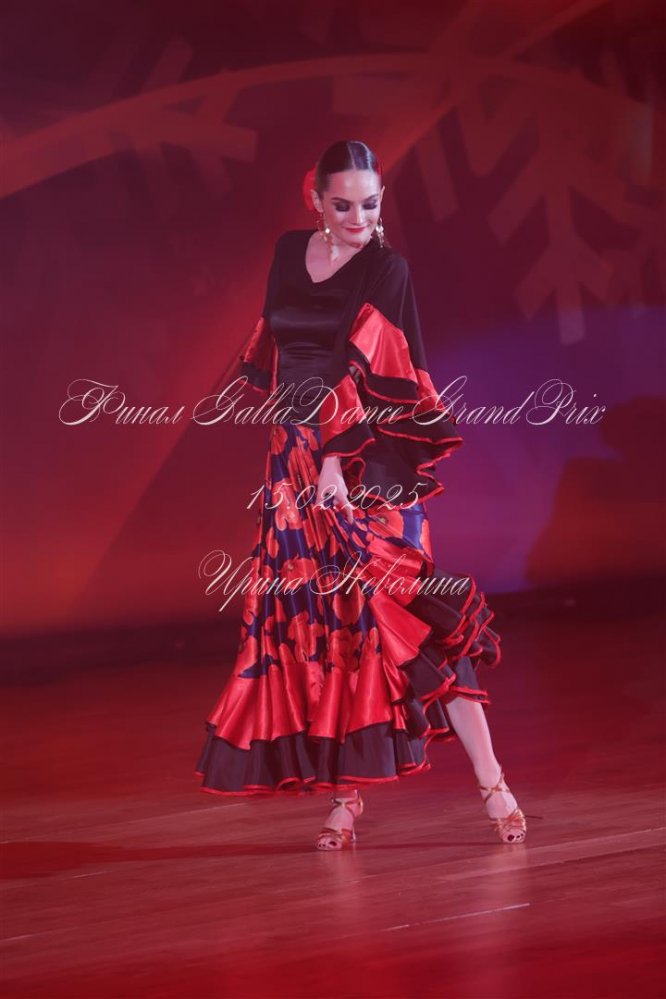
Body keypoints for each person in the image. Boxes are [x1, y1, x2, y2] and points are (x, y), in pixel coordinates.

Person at [195, 140, 527, 848]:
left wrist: (334, 464)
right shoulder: (289, 253)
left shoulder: (386, 267)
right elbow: (284, 350)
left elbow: (367, 370)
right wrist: (297, 455)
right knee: (326, 626)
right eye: (341, 204)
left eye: (369, 205)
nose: (357, 218)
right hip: (292, 460)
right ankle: (346, 801)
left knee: (403, 612)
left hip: (363, 464)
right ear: (315, 198)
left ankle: (493, 781)